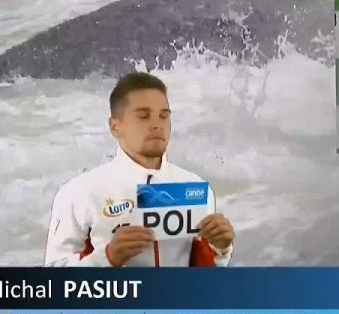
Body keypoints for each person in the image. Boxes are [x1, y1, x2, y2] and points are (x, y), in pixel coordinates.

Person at [43, 72, 235, 267]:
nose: (156, 125)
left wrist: (220, 247)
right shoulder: (80, 193)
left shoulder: (195, 188)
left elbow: (205, 272)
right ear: (115, 126)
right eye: (143, 116)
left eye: (163, 116)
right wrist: (108, 258)